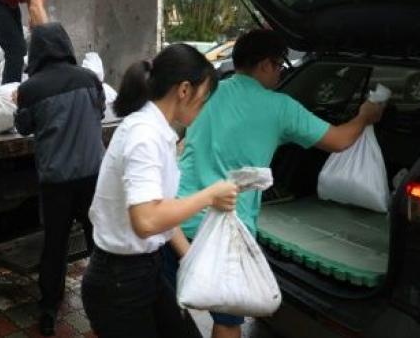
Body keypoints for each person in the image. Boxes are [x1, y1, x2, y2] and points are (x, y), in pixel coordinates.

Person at [171, 29, 386, 338]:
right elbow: (339, 140)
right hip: (226, 232)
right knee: (228, 321)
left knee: (167, 308)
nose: (282, 73)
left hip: (177, 219)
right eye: (281, 66)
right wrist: (365, 116)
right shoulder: (280, 107)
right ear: (265, 65)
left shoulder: (210, 93)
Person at [81, 44, 240, 338]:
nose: (203, 107)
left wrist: (192, 259)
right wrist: (209, 196)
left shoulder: (158, 132)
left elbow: (162, 214)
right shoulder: (144, 136)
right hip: (120, 282)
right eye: (203, 98)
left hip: (144, 271)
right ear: (183, 90)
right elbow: (147, 221)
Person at [14, 22, 105, 336]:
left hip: (57, 181)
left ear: (35, 51)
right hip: (94, 176)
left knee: (55, 245)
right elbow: (100, 112)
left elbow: (24, 126)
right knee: (99, 241)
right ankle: (107, 300)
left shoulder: (30, 88)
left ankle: (50, 310)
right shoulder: (91, 79)